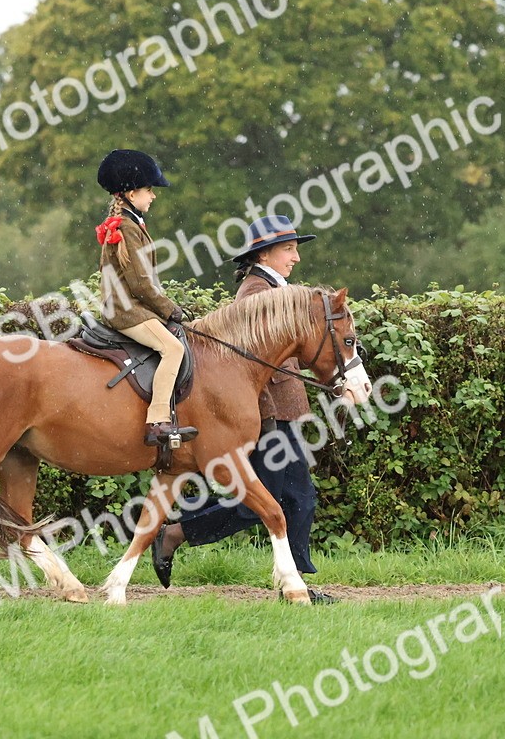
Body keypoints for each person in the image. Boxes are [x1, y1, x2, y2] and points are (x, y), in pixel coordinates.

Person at [151, 214, 337, 604]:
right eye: (288, 249)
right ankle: (176, 534)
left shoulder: (275, 288)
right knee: (262, 503)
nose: (295, 258)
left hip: (284, 413)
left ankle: (296, 579)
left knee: (298, 498)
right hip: (270, 416)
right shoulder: (256, 293)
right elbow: (251, 365)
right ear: (265, 253)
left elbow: (287, 352)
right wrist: (263, 418)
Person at [95, 149, 197, 447]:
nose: (153, 196)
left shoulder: (130, 223)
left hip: (132, 307)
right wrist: (171, 309)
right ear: (131, 192)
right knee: (173, 349)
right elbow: (140, 284)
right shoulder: (126, 227)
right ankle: (157, 421)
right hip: (127, 311)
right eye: (149, 190)